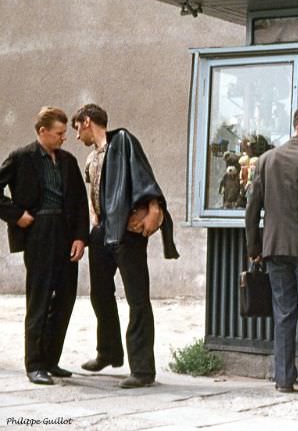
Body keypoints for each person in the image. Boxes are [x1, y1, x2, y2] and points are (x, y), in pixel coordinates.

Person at [72, 104, 179, 389]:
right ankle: (108, 352)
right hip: (102, 231)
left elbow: (144, 176)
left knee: (137, 299)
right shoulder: (90, 159)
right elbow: (94, 195)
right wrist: (94, 221)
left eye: (76, 128)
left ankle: (143, 370)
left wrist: (154, 208)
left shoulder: (123, 141)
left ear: (86, 121)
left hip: (127, 231)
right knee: (100, 294)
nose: (76, 136)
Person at [244, 104, 298, 395]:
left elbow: (252, 207)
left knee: (283, 313)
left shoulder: (267, 159)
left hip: (274, 247)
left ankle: (283, 378)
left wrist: (254, 246)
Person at [0, 107, 89, 385]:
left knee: (65, 298)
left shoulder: (68, 161)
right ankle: (35, 363)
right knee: (39, 298)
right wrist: (17, 215)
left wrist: (80, 237)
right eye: (60, 133)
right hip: (38, 232)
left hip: (65, 231)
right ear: (43, 132)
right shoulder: (21, 157)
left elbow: (79, 201)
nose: (65, 138)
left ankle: (51, 359)